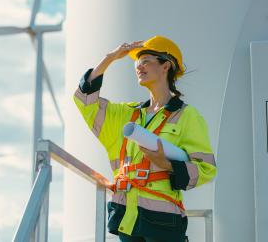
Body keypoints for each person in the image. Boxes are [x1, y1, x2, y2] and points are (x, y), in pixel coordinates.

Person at [73, 36, 217, 242]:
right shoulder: (124, 114)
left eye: (146, 61)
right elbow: (84, 99)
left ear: (166, 65)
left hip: (163, 220)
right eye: (137, 63)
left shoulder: (187, 116)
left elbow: (207, 169)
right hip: (126, 217)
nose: (139, 66)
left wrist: (166, 164)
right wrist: (109, 58)